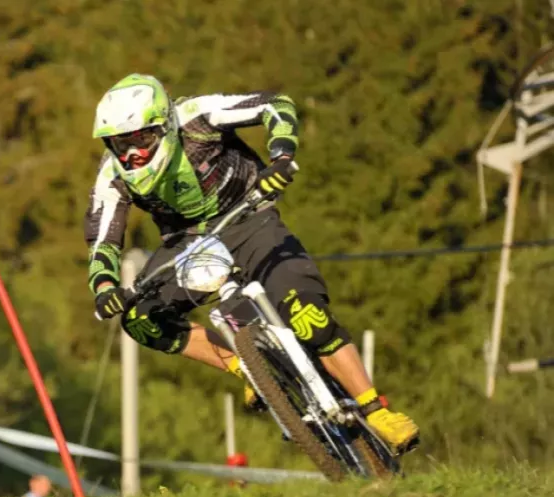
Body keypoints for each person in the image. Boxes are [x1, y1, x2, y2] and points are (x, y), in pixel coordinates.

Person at [84, 73, 419, 454]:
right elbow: (103, 238)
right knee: (140, 319)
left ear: (165, 125)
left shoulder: (198, 116)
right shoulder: (112, 174)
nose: (131, 156)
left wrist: (281, 157)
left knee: (306, 313)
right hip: (187, 245)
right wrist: (105, 287)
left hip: (250, 218)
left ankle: (374, 408)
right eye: (118, 145)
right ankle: (252, 370)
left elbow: (277, 105)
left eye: (140, 141)